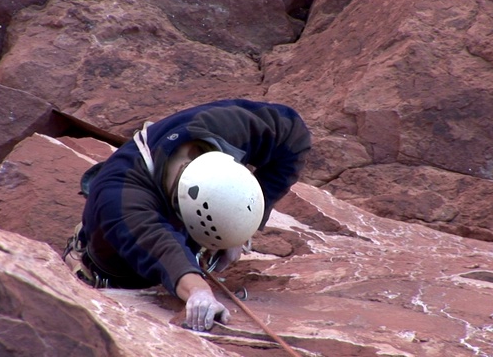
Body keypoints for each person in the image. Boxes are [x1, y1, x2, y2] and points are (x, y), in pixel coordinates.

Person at [63, 99, 311, 331]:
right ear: (181, 215)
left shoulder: (224, 127)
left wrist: (246, 223)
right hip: (114, 269)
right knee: (132, 249)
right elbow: (163, 249)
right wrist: (198, 291)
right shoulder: (120, 198)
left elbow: (293, 134)